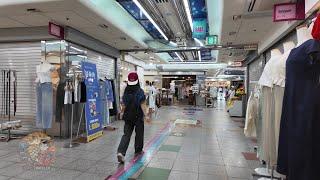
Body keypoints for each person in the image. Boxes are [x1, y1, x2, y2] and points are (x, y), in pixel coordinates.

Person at [117, 72, 146, 163]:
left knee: (126, 134)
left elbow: (124, 104)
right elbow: (143, 105)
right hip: (138, 115)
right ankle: (138, 150)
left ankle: (121, 152)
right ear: (137, 81)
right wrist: (146, 115)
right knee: (139, 134)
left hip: (128, 116)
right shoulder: (140, 91)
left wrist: (121, 113)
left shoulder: (126, 91)